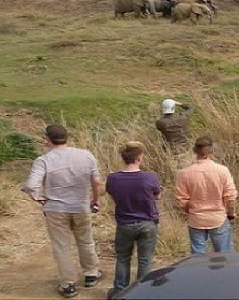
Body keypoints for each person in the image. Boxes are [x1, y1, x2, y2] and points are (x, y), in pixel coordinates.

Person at [22, 124, 102, 298]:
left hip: (56, 208)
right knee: (86, 241)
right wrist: (95, 200)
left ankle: (68, 284)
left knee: (61, 247)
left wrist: (40, 198)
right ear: (67, 136)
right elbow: (96, 182)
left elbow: (30, 185)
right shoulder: (86, 155)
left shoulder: (43, 160)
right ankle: (91, 273)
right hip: (81, 206)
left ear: (47, 139)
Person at [105, 141, 161, 299]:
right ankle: (143, 291)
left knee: (123, 258)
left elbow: (111, 194)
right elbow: (157, 195)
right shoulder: (150, 177)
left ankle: (119, 291)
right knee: (145, 259)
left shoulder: (113, 178)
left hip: (125, 223)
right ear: (139, 158)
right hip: (147, 222)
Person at [175, 137, 239, 254]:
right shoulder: (222, 171)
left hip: (196, 219)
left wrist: (190, 210)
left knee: (197, 260)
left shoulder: (184, 173)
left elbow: (181, 200)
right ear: (212, 151)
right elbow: (230, 197)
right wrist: (231, 213)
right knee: (225, 257)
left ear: (194, 151)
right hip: (218, 217)